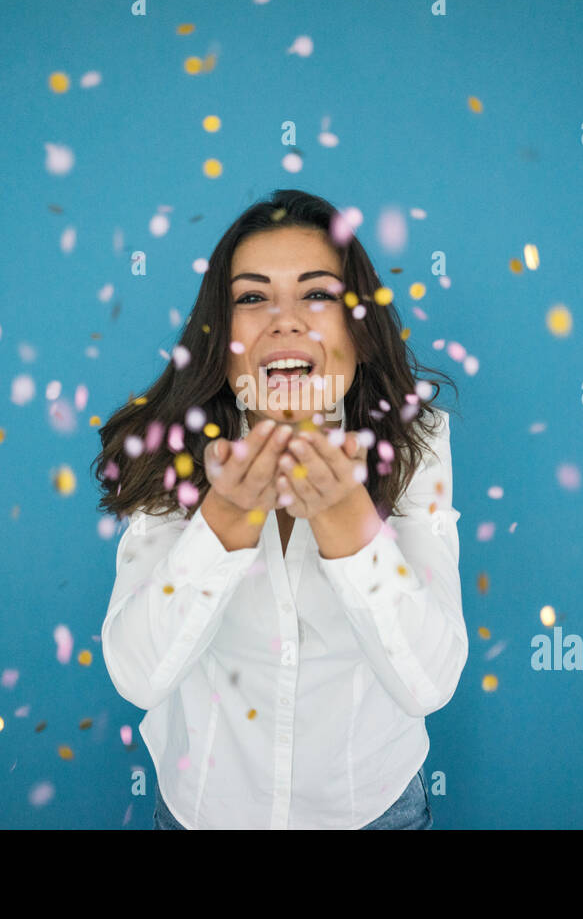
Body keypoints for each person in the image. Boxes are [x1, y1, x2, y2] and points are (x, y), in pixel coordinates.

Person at [93, 188, 465, 829]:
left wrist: (348, 519)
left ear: (361, 330)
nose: (285, 320)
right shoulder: (176, 443)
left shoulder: (415, 440)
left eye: (317, 293)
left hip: (374, 810)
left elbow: (428, 684)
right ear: (222, 334)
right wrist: (226, 518)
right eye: (252, 297)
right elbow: (138, 676)